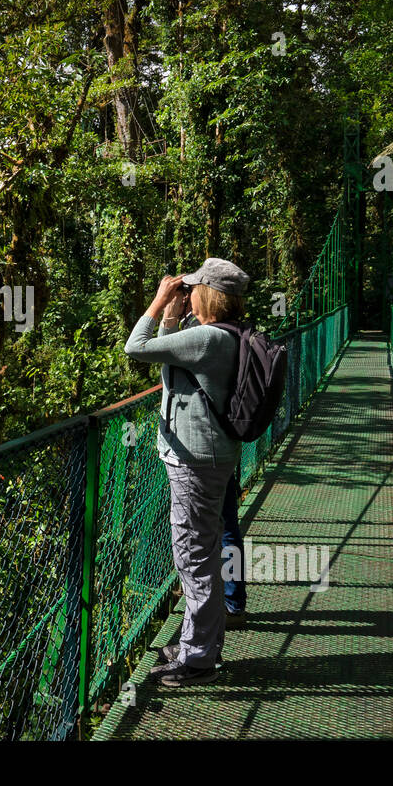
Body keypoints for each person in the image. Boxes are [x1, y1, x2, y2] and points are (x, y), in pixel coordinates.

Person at [123, 257, 249, 686]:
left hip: (195, 461)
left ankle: (198, 660)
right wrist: (173, 321)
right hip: (211, 456)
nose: (186, 293)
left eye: (192, 288)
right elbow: (172, 369)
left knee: (195, 560)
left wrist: (157, 305)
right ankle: (199, 645)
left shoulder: (208, 338)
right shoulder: (218, 337)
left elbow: (135, 348)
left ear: (209, 295)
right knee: (202, 555)